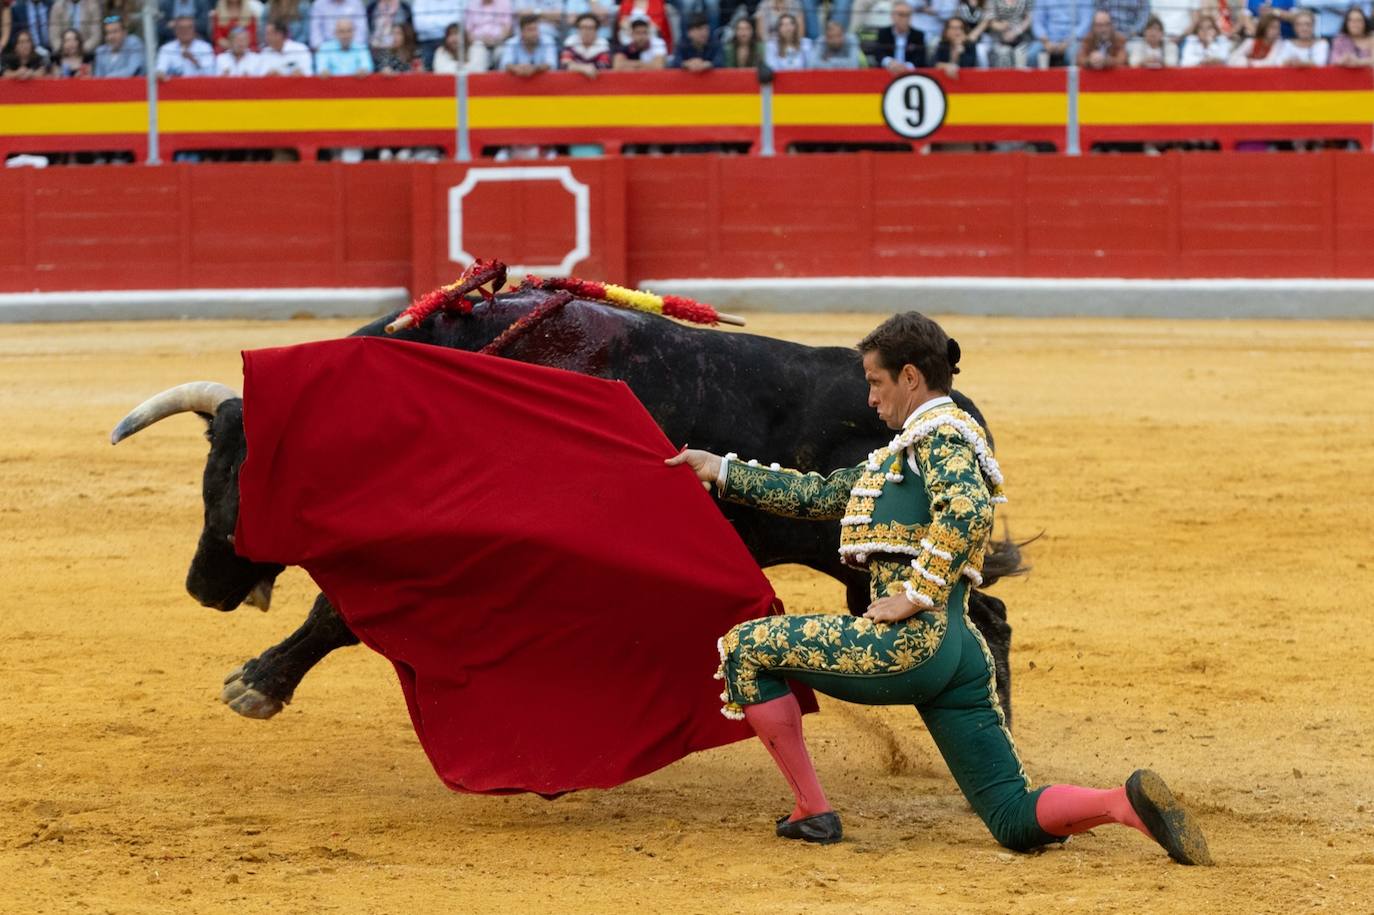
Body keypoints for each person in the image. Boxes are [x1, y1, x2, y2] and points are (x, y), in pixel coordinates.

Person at [666, 312, 1214, 866]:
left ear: (909, 377)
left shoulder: (941, 438)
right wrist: (720, 469)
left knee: (745, 647)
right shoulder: (903, 455)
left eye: (876, 383)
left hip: (909, 645)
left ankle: (812, 809)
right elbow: (821, 494)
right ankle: (1121, 804)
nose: (870, 399)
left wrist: (915, 593)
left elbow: (969, 510)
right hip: (959, 657)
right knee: (1011, 814)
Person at [1029, 0, 1089, 65]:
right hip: (1047, 40)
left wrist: (1068, 41)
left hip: (1074, 40)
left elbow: (1085, 23)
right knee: (1032, 55)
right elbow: (1037, 22)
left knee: (1071, 56)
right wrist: (1046, 41)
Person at [871, 0, 926, 71]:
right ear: (892, 16)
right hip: (887, 73)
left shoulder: (918, 35)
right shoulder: (884, 33)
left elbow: (920, 58)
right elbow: (878, 54)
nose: (904, 18)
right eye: (901, 14)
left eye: (908, 15)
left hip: (910, 75)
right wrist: (889, 63)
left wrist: (906, 66)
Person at [984, 0, 1031, 67]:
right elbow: (989, 21)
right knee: (1003, 53)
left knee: (1021, 55)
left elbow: (1029, 18)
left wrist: (1016, 32)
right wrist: (1001, 27)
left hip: (1021, 38)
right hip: (999, 39)